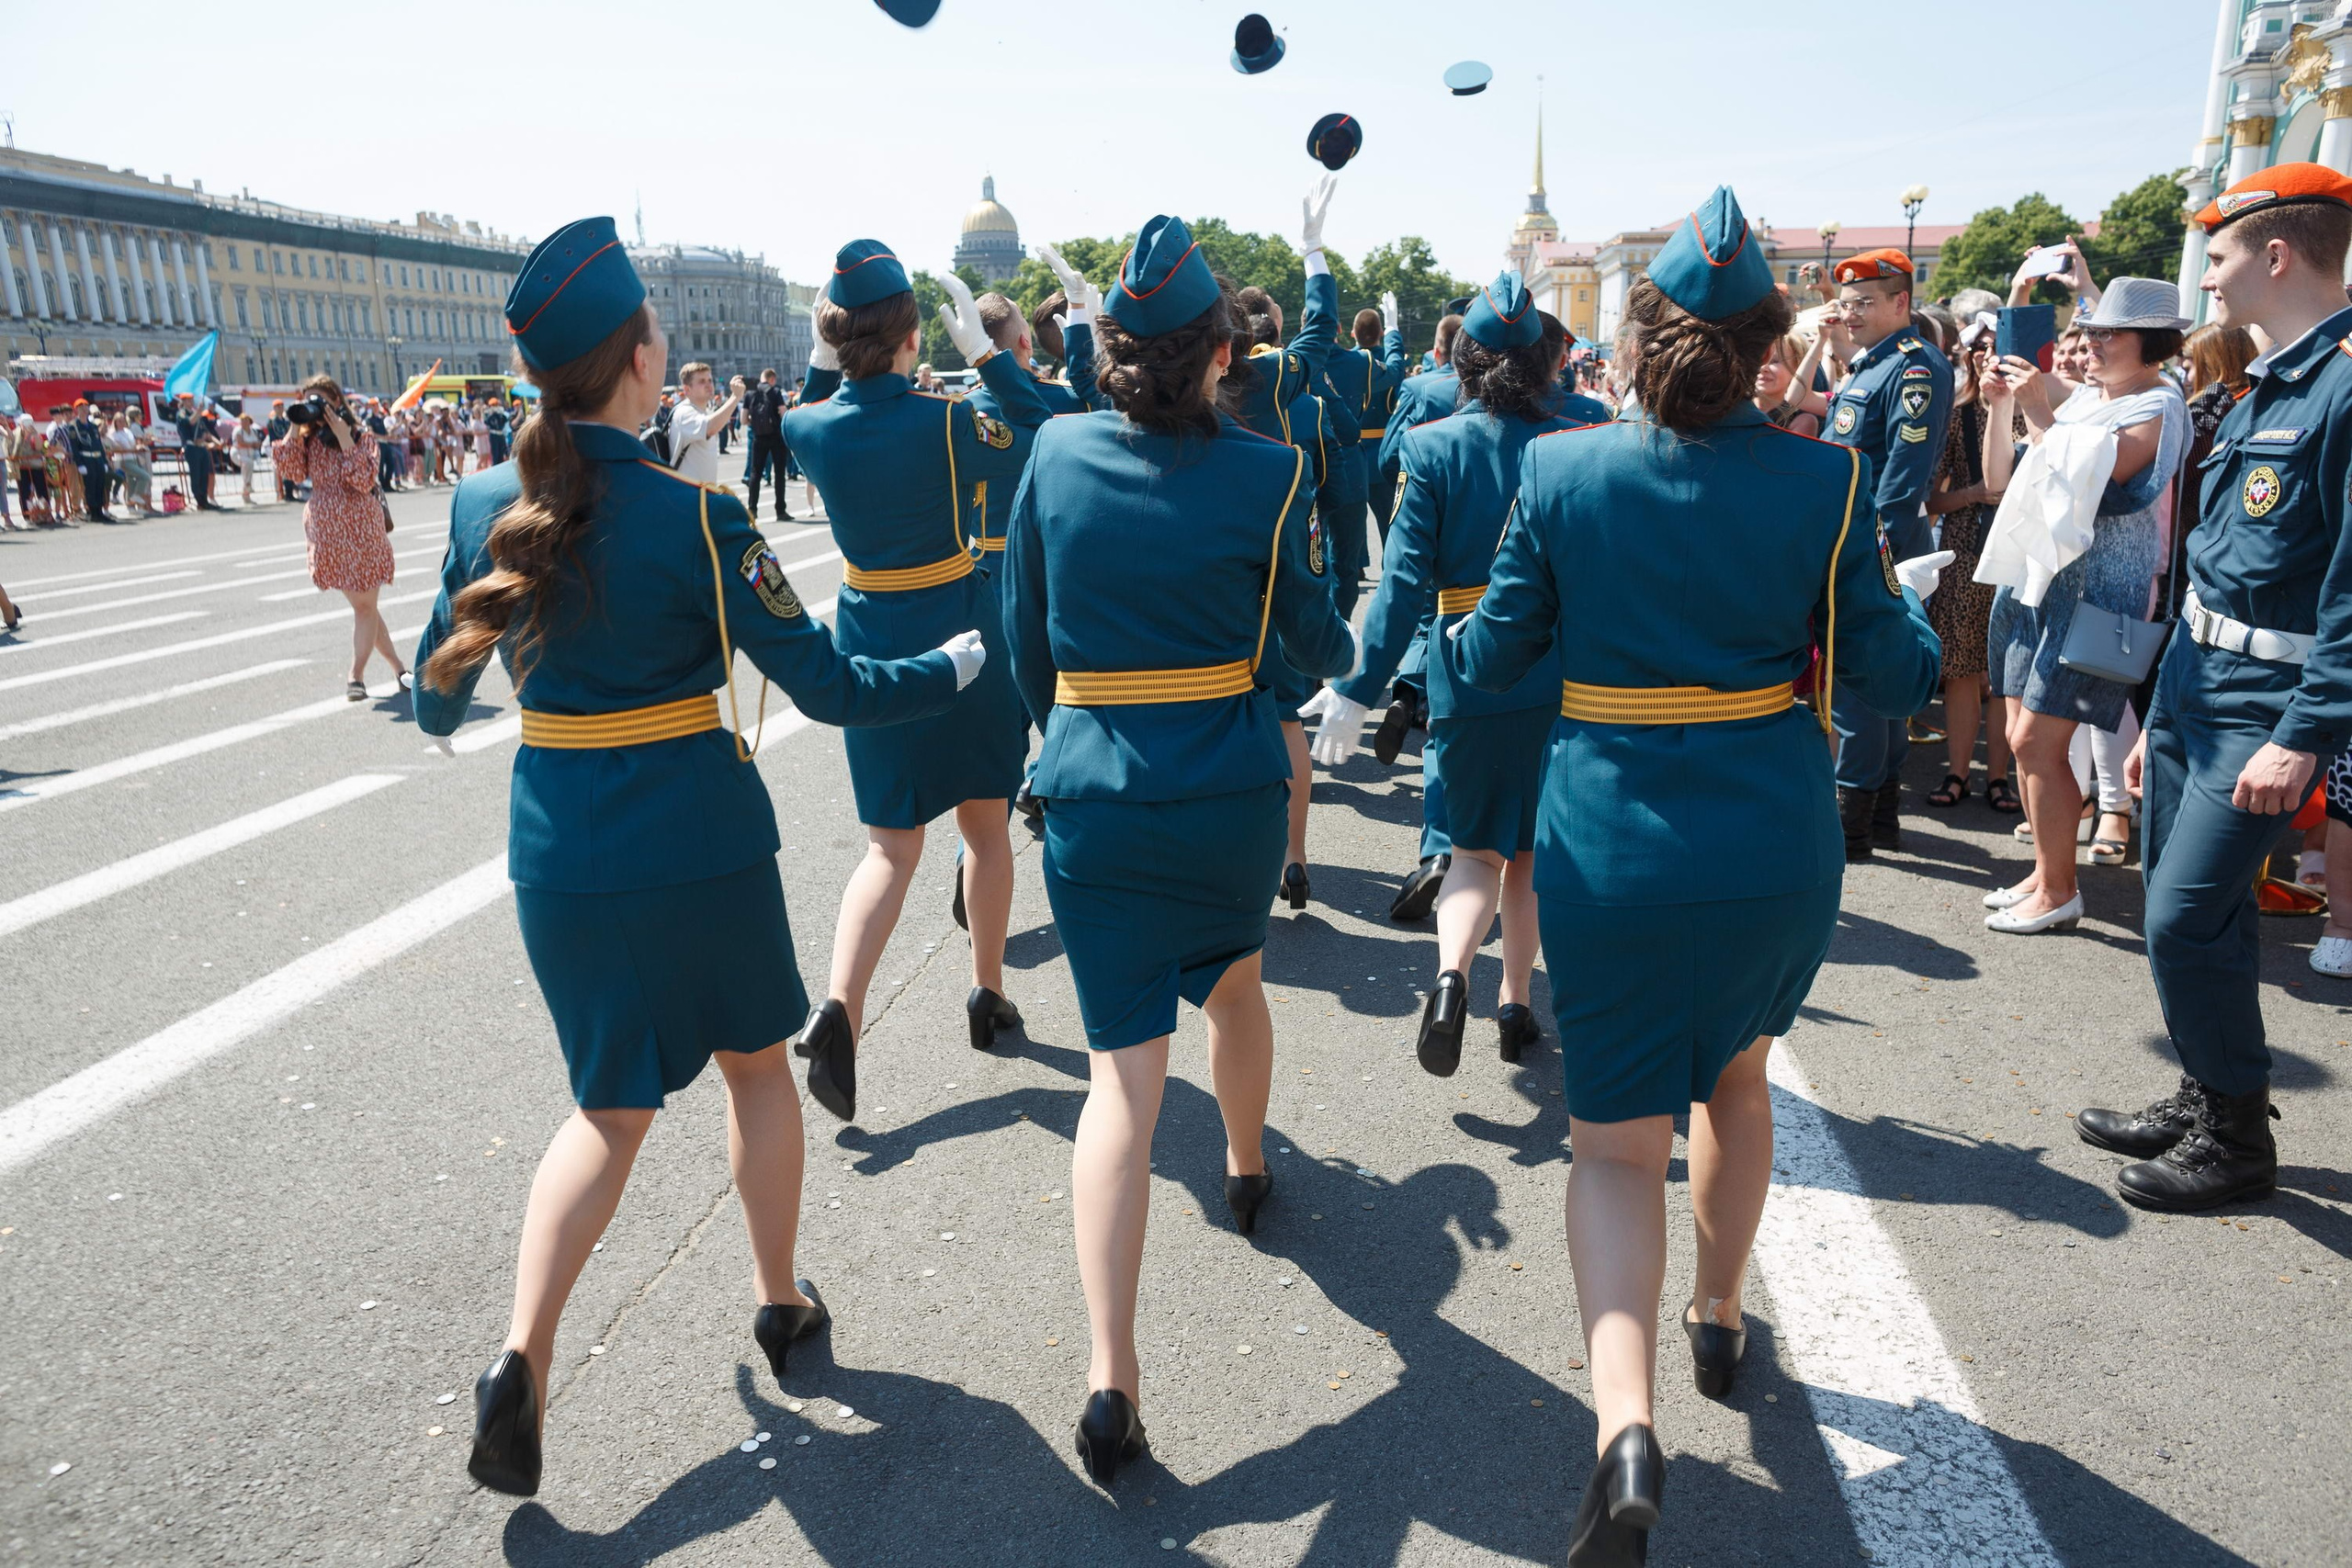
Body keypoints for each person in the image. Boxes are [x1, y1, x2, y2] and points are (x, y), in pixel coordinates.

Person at [413, 216, 980, 1500]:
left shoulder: (479, 502)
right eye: (657, 334)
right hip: (701, 843)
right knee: (755, 1072)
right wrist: (952, 666)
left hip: (560, 849)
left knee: (608, 1114)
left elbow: (434, 708)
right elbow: (830, 686)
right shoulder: (698, 515)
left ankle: (521, 1357)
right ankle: (782, 1303)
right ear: (633, 360)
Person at [1452, 186, 1945, 1565]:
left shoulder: (1561, 472)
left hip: (1606, 841)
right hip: (1768, 840)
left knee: (1611, 1144)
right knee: (1738, 1074)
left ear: (1645, 333)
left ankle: (1625, 1425)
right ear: (1770, 338)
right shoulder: (1826, 478)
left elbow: (1491, 657)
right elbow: (1895, 674)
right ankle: (1720, 1314)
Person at [999, 213, 1356, 1489]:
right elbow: (1311, 645)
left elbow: (1028, 637)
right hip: (1228, 793)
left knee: (1120, 1084)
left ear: (1112, 346)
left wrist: (1076, 734)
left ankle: (1111, 1373)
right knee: (1240, 983)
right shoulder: (1268, 472)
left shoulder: (1051, 451)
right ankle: (1251, 1166)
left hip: (1094, 789)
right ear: (1219, 351)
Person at [2076, 165, 2352, 1211]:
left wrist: (2307, 733)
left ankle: (2237, 1140)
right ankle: (2208, 1089)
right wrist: (2163, 707)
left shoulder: (2342, 387)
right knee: (2197, 912)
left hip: (2267, 707)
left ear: (2275, 254)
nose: (2210, 276)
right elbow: (2215, 563)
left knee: (2182, 917)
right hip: (2200, 688)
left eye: (2222, 254)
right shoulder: (2268, 382)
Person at [780, 240, 1053, 1122]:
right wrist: (981, 350)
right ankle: (986, 989)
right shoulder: (948, 420)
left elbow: (811, 400)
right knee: (985, 826)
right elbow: (1047, 420)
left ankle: (838, 1008)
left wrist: (833, 349)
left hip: (869, 638)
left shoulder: (807, 425)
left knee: (890, 850)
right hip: (963, 634)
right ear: (910, 336)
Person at [1312, 275, 1588, 1076]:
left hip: (1465, 668)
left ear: (1463, 359)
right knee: (1532, 855)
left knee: (1471, 852)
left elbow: (1400, 588)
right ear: (1544, 360)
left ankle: (1448, 979)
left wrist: (1359, 689)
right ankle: (1515, 1002)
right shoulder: (1584, 430)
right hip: (1563, 669)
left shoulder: (1433, 446)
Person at [1978, 279, 2188, 934]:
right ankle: (2047, 873)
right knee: (2025, 743)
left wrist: (2037, 411)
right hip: (2038, 584)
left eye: (2106, 333)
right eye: (2089, 330)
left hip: (2094, 597)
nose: (2089, 343)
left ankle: (2061, 889)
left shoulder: (2160, 402)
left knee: (2036, 742)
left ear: (2149, 342)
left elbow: (2102, 481)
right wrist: (2005, 401)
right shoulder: (2096, 398)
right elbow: (2007, 475)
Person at [1209, 178, 1343, 909]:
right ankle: (1294, 855)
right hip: (1283, 532)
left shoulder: (1219, 371)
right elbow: (1319, 333)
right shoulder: (1278, 373)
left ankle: (1241, 864)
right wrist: (1313, 254)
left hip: (1215, 538)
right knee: (1288, 712)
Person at [1816, 248, 1952, 858]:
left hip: (1875, 547)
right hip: (1859, 540)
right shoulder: (1869, 364)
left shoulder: (1914, 366)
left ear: (1902, 302)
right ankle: (1880, 812)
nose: (1851, 315)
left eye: (1864, 303)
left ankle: (1853, 821)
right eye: (1845, 304)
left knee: (1862, 687)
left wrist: (1875, 559)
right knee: (1877, 684)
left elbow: (1903, 478)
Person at [273, 374, 408, 700]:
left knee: (364, 607)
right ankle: (400, 670)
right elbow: (290, 471)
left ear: (336, 401)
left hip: (362, 527)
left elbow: (364, 480)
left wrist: (344, 437)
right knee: (366, 607)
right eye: (309, 400)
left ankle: (355, 677)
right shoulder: (309, 441)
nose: (315, 407)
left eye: (319, 400)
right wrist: (295, 422)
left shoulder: (361, 437)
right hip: (328, 530)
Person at [1921, 337, 2013, 812]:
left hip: (2020, 554)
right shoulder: (1956, 416)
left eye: (1997, 345)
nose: (1986, 354)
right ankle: (1958, 772)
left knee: (2004, 675)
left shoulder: (2034, 412)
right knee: (1959, 670)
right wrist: (1974, 492)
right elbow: (1929, 500)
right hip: (1963, 551)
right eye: (1978, 345)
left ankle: (1998, 777)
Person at [666, 361, 743, 488]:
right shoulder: (685, 412)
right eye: (702, 381)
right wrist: (735, 397)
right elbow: (710, 428)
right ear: (687, 389)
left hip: (701, 495)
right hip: (689, 498)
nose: (708, 385)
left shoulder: (702, 411)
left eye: (710, 380)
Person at [740, 367, 793, 520]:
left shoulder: (750, 394)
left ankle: (752, 510)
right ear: (772, 379)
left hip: (758, 438)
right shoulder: (776, 392)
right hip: (776, 437)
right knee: (779, 474)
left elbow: (743, 419)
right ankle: (780, 511)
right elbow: (783, 414)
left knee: (755, 474)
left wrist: (754, 425)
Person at [63, 400, 112, 523]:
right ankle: (93, 512)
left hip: (98, 459)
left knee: (99, 485)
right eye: (81, 407)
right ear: (76, 410)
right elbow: (74, 447)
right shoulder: (73, 427)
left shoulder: (93, 426)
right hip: (86, 460)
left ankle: (100, 511)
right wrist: (80, 464)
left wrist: (104, 462)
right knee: (90, 487)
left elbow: (99, 445)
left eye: (86, 406)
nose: (84, 409)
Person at [233, 412, 268, 504]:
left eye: (245, 420)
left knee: (248, 471)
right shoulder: (238, 430)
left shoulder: (253, 431)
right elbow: (240, 442)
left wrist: (255, 445)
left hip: (249, 455)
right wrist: (252, 445)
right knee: (248, 464)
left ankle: (246, 493)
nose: (243, 422)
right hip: (238, 454)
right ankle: (247, 488)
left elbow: (258, 442)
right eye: (242, 420)